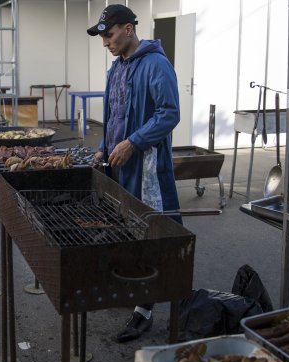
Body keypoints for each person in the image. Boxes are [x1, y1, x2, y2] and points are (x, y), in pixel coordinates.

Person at [88, 4, 183, 343]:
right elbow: (113, 114)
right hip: (118, 165)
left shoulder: (156, 64)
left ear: (128, 29)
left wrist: (133, 142)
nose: (105, 43)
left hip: (146, 169)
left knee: (151, 234)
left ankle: (147, 308)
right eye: (103, 37)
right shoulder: (116, 70)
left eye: (109, 35)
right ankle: (130, 290)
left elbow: (170, 113)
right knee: (125, 228)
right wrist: (104, 146)